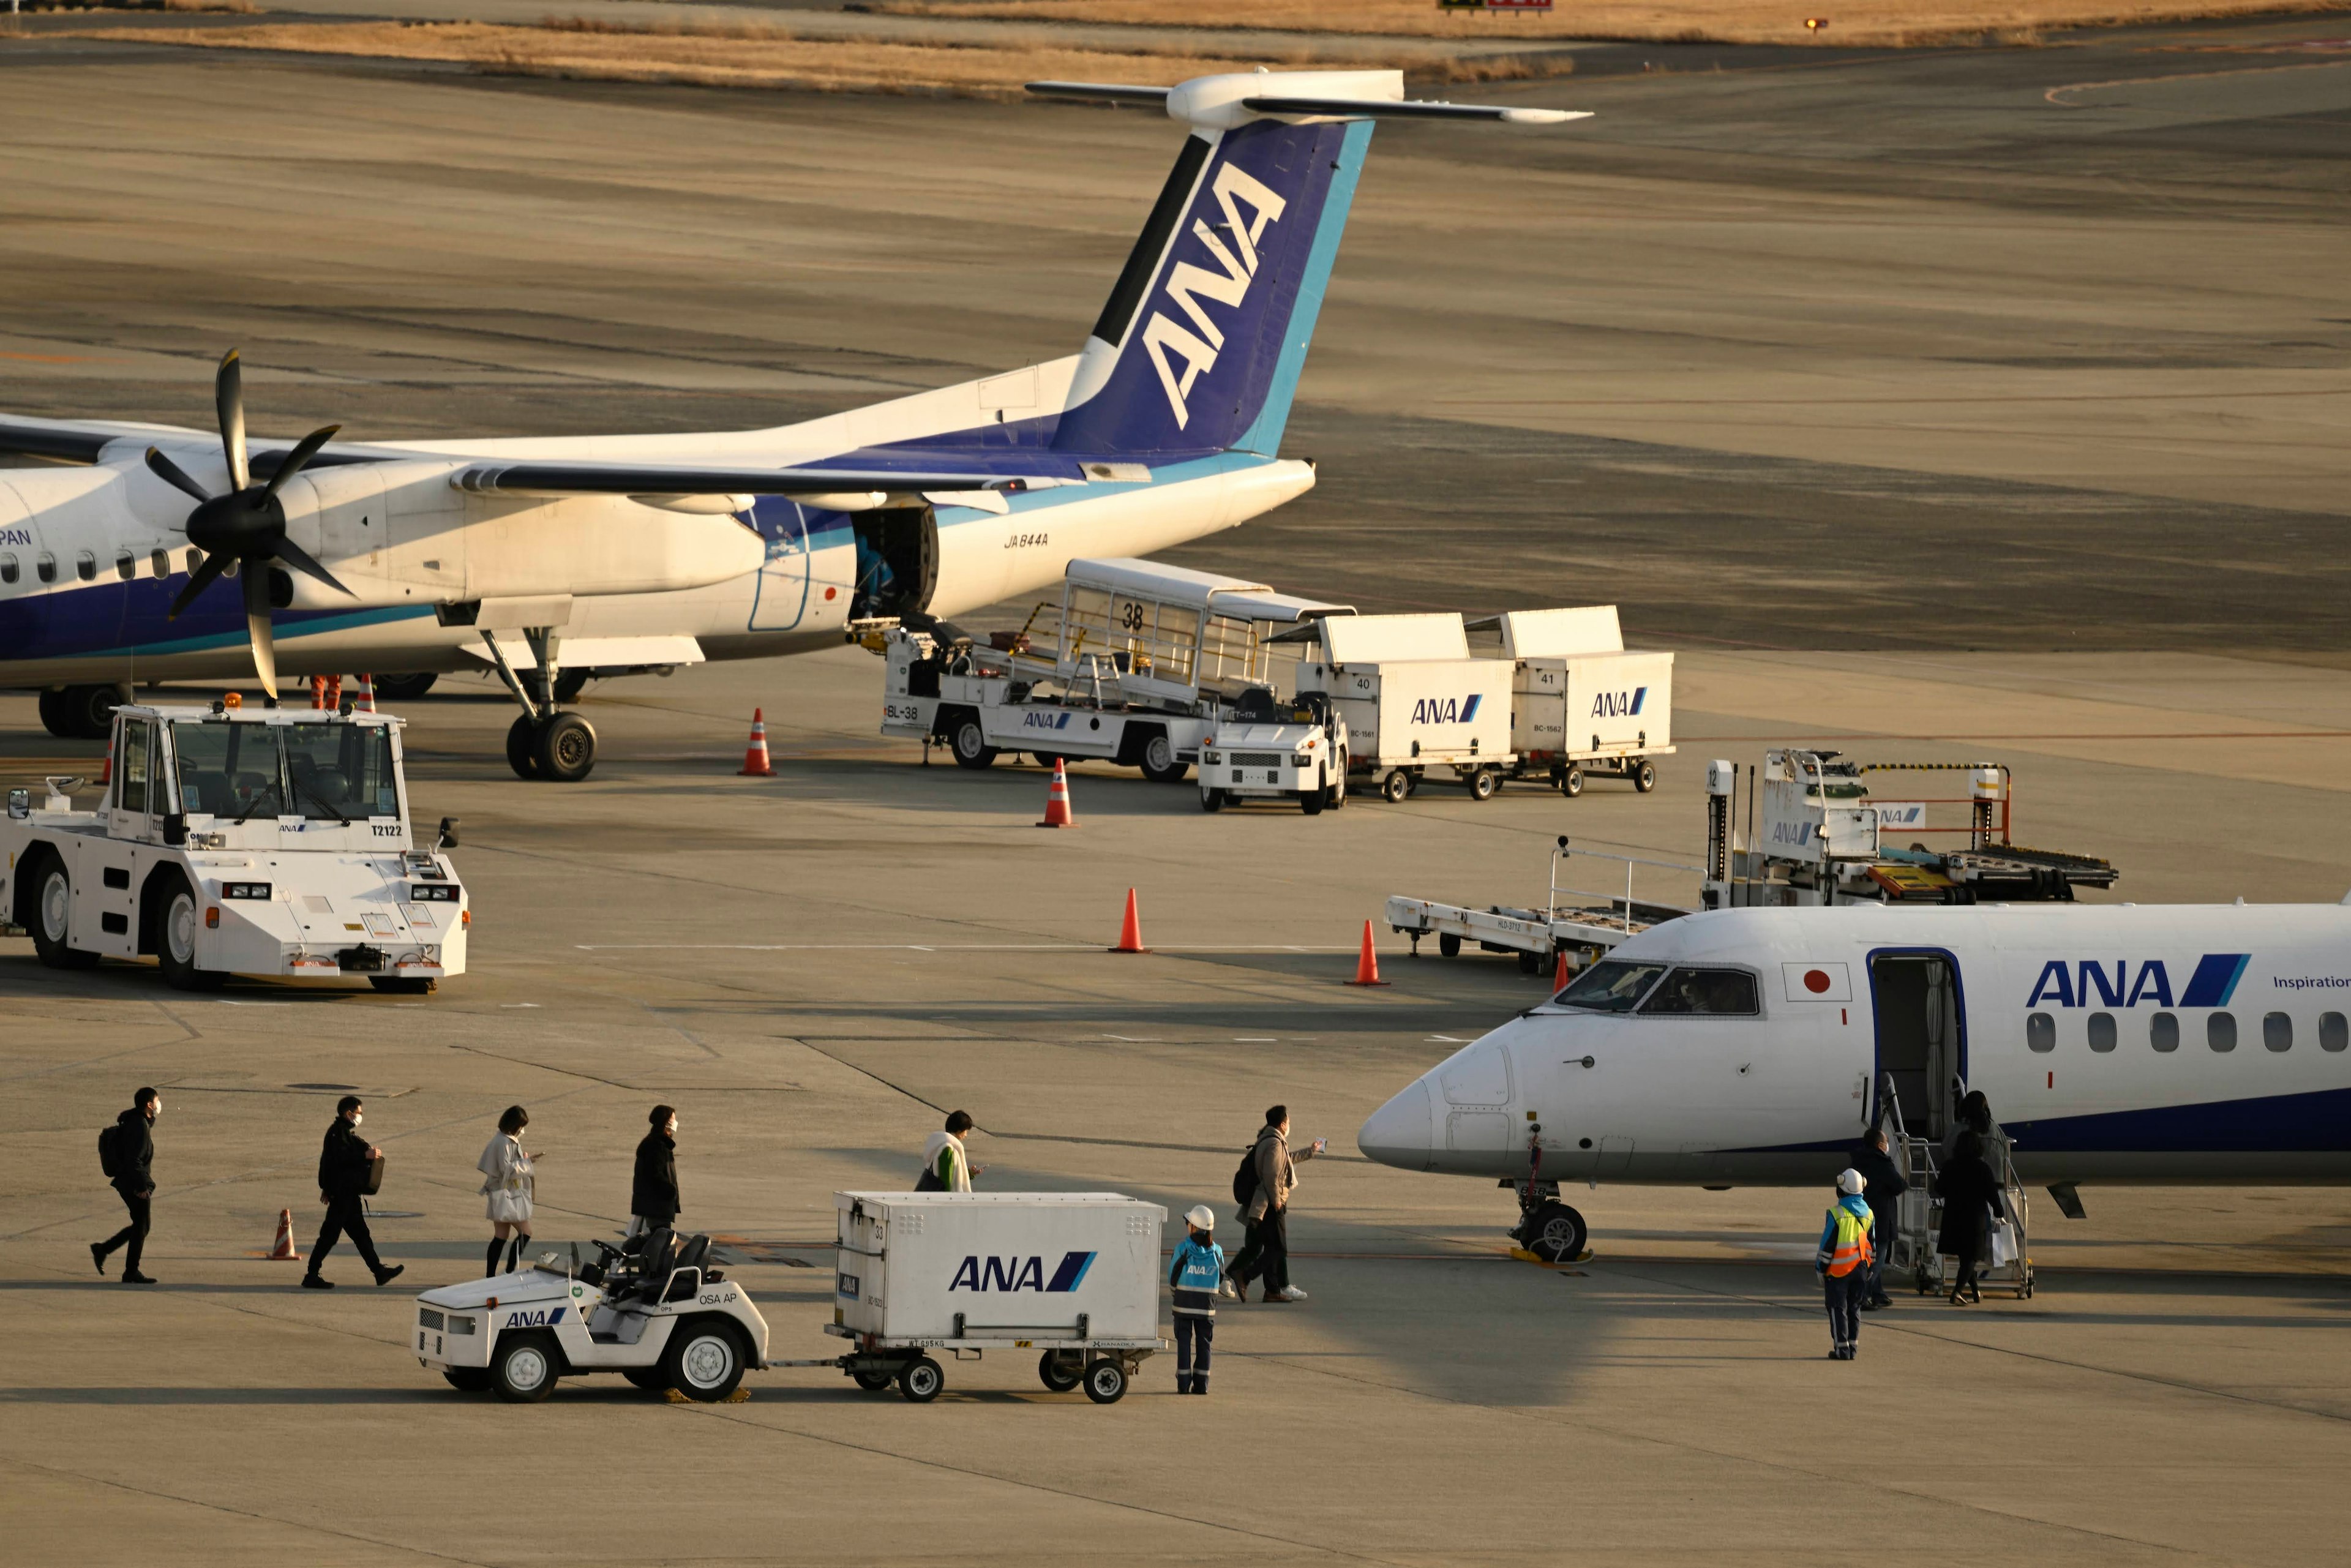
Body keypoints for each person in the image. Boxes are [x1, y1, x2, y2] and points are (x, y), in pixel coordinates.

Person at [305, 1095, 403, 1289]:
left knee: (361, 1235)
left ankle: (379, 1272)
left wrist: (327, 1187)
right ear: (348, 1113)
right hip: (342, 1195)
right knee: (329, 1236)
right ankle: (311, 1275)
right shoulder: (337, 1133)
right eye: (359, 1113)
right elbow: (337, 1159)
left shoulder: (343, 1133)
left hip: (348, 1194)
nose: (360, 1116)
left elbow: (330, 1163)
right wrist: (364, 1155)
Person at [1227, 1105, 1321, 1304]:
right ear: (1283, 1123)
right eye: (1288, 1120)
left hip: (1265, 1202)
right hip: (1270, 1203)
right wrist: (1277, 1201)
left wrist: (1310, 1151)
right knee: (1277, 1249)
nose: (1290, 1124)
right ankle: (1244, 1276)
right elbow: (1271, 1175)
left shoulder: (1271, 1141)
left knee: (1266, 1247)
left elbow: (1286, 1161)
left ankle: (1272, 1290)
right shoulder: (1275, 1144)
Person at [92, 1087, 161, 1285]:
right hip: (133, 1182)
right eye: (156, 1100)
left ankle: (104, 1250)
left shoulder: (137, 1121)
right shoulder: (138, 1125)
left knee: (141, 1226)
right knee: (142, 1226)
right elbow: (134, 1160)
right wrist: (141, 1187)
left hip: (129, 1180)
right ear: (149, 1104)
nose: (158, 1103)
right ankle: (130, 1271)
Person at [1815, 1168, 1875, 1360]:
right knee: (1854, 1307)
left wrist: (1821, 1268)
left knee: (1837, 1308)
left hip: (1839, 1271)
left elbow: (1828, 1244)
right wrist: (1870, 1268)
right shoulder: (1869, 1214)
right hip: (1861, 1270)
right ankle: (1853, 1348)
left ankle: (1842, 1349)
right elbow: (1872, 1244)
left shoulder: (1836, 1214)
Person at [1847, 1125, 1908, 1310]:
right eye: (1886, 1142)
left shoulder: (1857, 1162)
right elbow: (1899, 1185)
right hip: (1880, 1219)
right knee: (1878, 1259)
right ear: (1880, 1145)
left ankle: (1878, 1293)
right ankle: (1863, 1296)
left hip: (1861, 1217)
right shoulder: (1882, 1163)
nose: (1888, 1145)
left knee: (1867, 1258)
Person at [1937, 1129, 2002, 1305]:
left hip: (1953, 1216)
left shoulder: (1950, 1166)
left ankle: (1975, 1291)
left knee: (1965, 1258)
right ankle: (1957, 1292)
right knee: (1971, 1257)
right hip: (1975, 1218)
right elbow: (1992, 1193)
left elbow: (1939, 1189)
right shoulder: (1982, 1168)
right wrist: (1999, 1211)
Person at [1168, 1204, 1224, 1395]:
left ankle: (1183, 1383)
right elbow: (1222, 1277)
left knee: (1184, 1343)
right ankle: (1202, 1385)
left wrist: (1175, 1293)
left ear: (1194, 1227)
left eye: (1188, 1223)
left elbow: (1172, 1276)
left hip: (1184, 1305)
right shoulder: (1217, 1251)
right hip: (1206, 1307)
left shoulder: (1183, 1249)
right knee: (1204, 1344)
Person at [478, 1105, 539, 1277]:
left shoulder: (503, 1139)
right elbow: (507, 1170)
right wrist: (528, 1163)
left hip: (499, 1193)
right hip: (507, 1194)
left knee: (501, 1235)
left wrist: (525, 1160)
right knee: (526, 1232)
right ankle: (510, 1271)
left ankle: (490, 1275)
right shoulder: (504, 1142)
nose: (522, 1129)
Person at [630, 1105, 680, 1237]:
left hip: (657, 1206)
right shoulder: (657, 1146)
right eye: (673, 1119)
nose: (676, 1123)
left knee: (656, 1241)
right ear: (666, 1123)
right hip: (657, 1206)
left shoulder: (659, 1144)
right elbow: (654, 1175)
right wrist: (670, 1191)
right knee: (659, 1242)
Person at [917, 1110, 980, 1193]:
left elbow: (953, 1174)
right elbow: (947, 1180)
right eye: (965, 1131)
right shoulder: (948, 1150)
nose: (966, 1135)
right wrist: (949, 1200)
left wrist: (970, 1173)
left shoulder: (939, 1144)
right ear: (959, 1131)